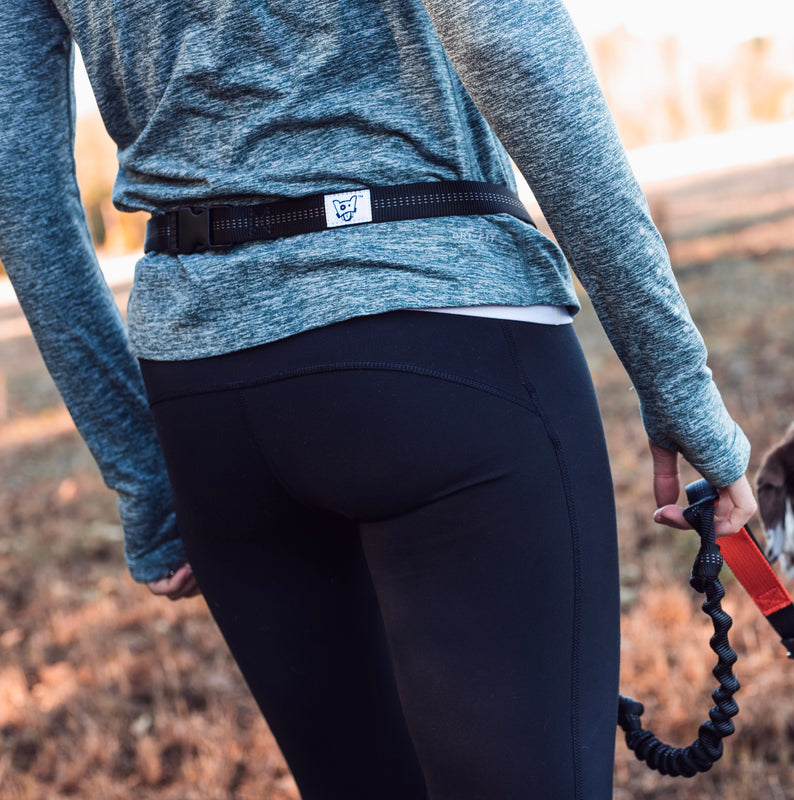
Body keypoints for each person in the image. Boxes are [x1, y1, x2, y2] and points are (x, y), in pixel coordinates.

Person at [0, 1, 756, 797]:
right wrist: (674, 376)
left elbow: (18, 184)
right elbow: (506, 37)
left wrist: (143, 468)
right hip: (446, 340)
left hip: (208, 398)